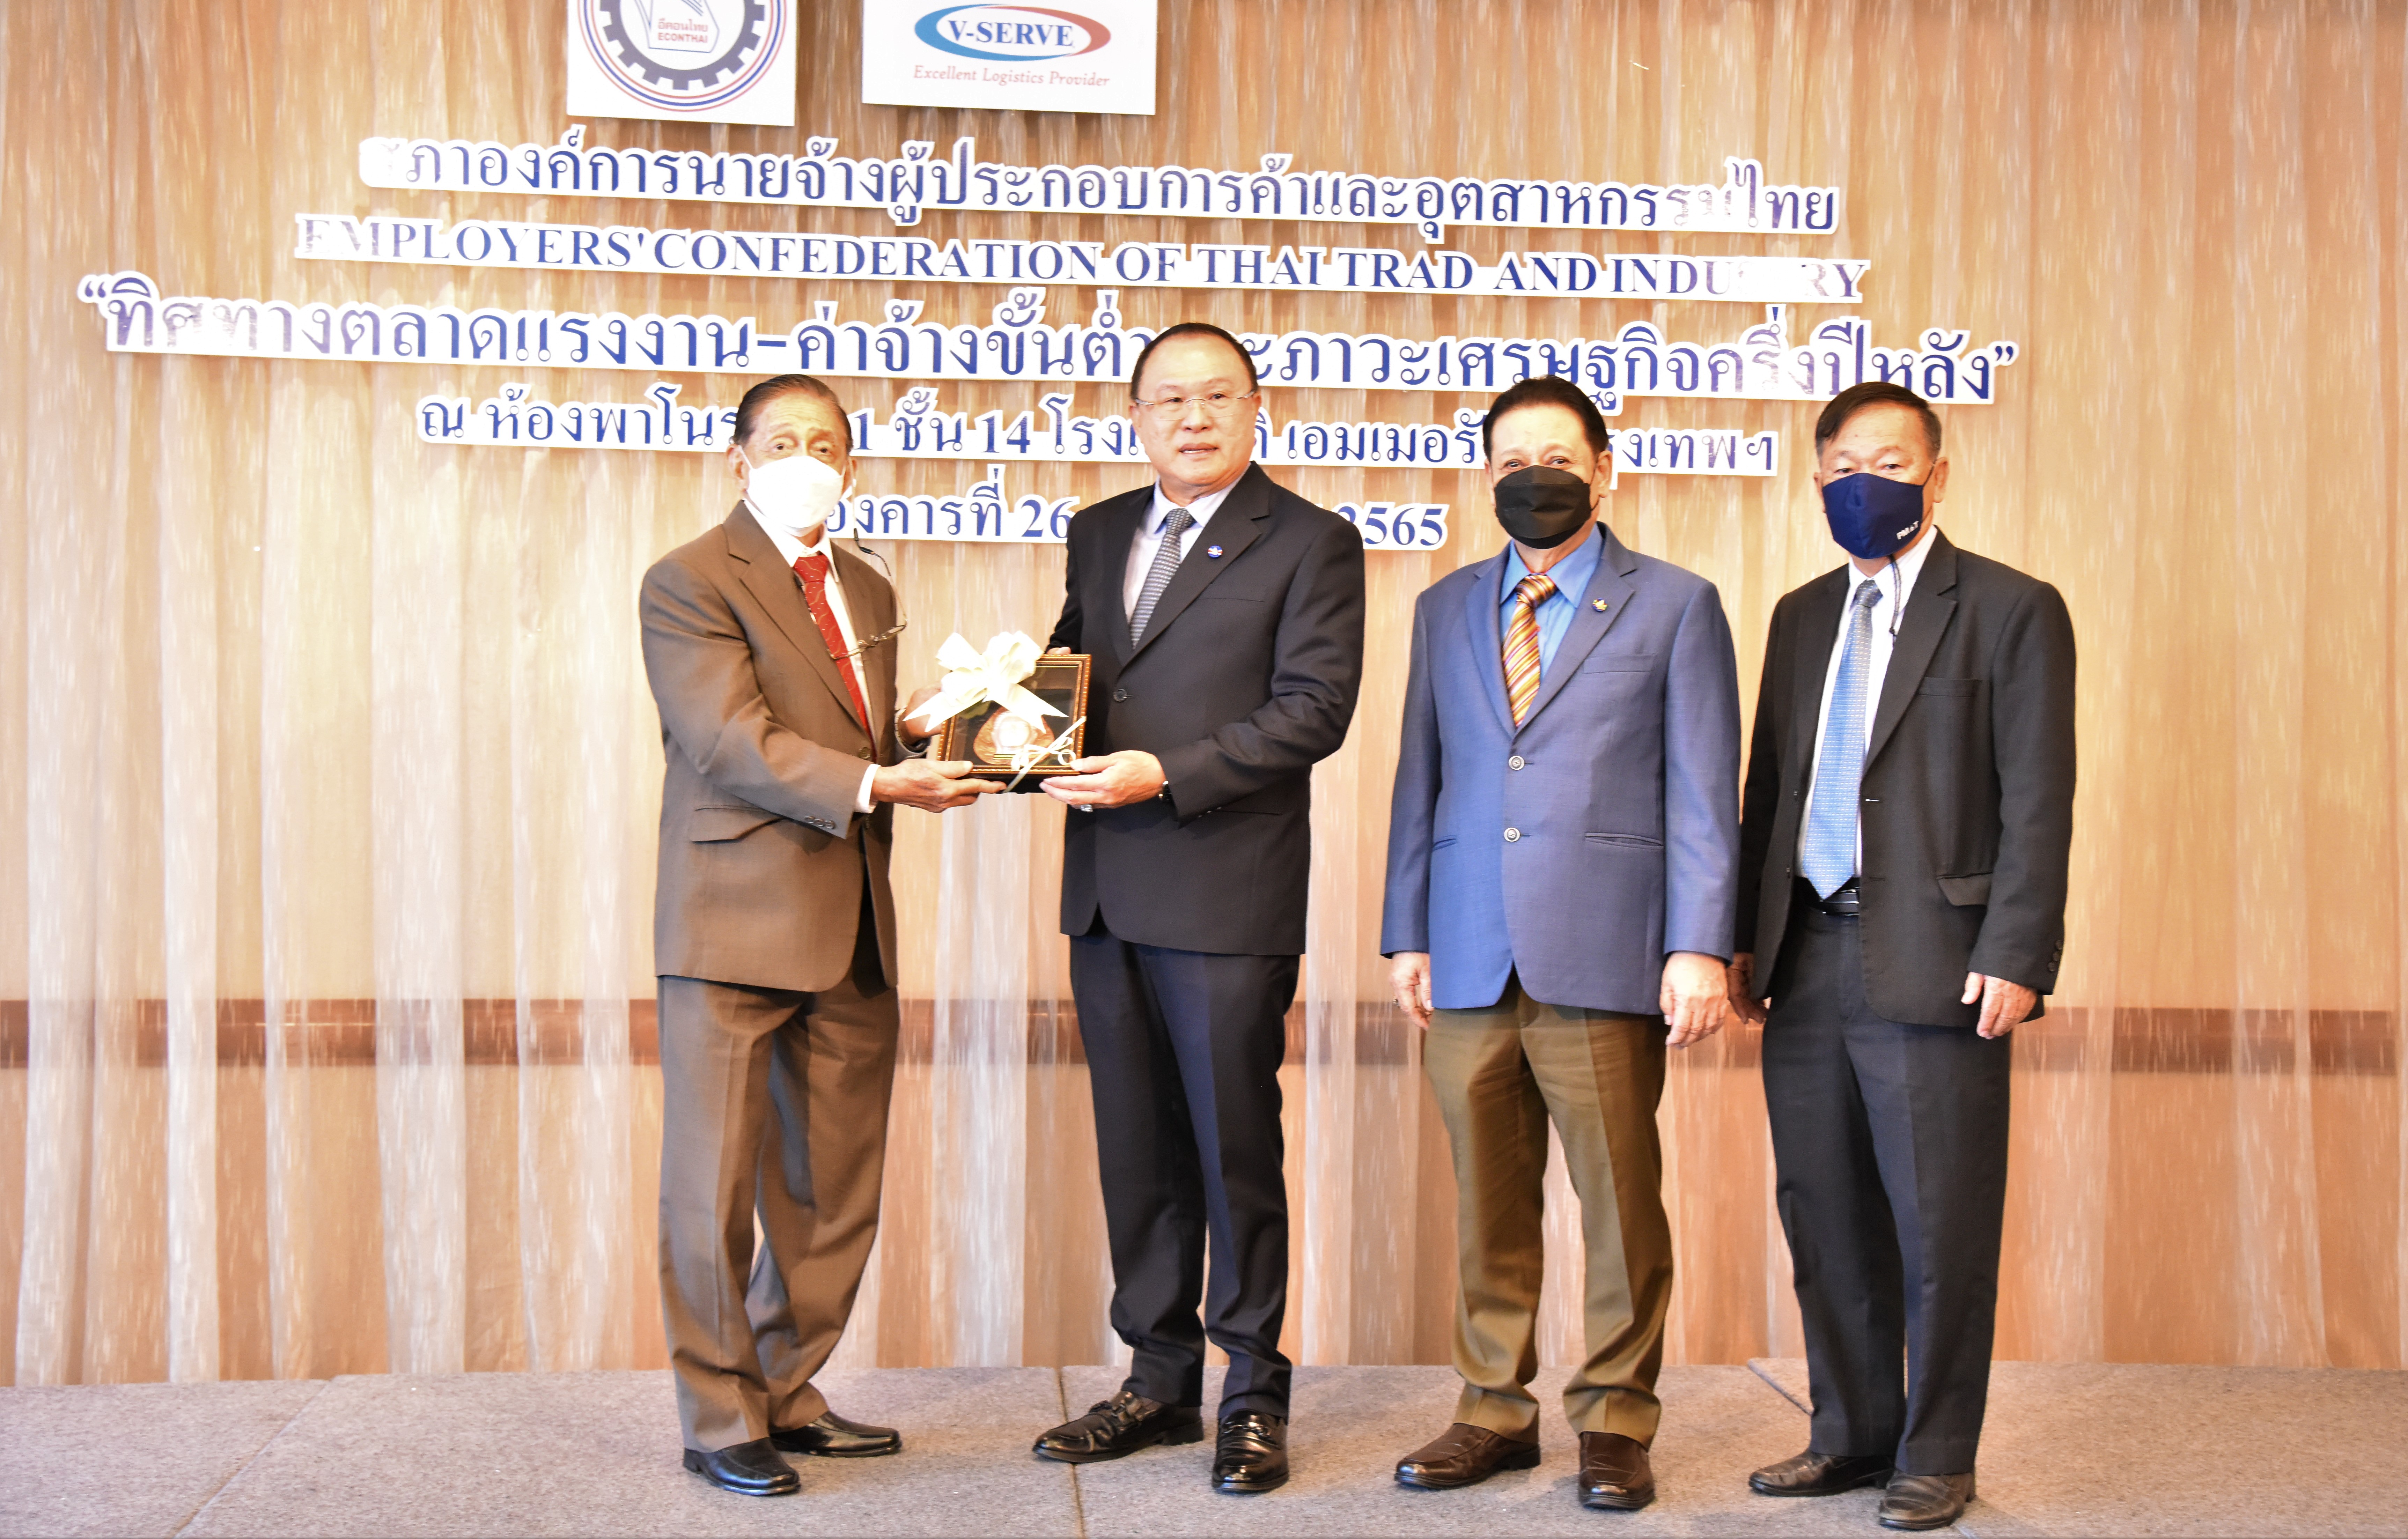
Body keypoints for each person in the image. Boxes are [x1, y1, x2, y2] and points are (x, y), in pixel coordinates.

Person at [1379, 375, 1741, 1512]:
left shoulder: (1676, 604)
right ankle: (1492, 1408)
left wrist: (1700, 943)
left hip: (1607, 947)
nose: (1534, 476)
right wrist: (1406, 930)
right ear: (1486, 476)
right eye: (1510, 461)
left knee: (1620, 1201)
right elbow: (1421, 776)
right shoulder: (1444, 607)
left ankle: (1616, 1418)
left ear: (1604, 471)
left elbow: (1703, 790)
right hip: (1468, 945)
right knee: (1488, 1199)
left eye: (1558, 457)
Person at [638, 373, 999, 1497]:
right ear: (739, 460)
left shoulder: (866, 581)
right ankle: (717, 1416)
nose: (808, 459)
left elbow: (859, 736)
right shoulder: (691, 578)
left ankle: (785, 1388)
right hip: (732, 920)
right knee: (711, 1186)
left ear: (851, 464)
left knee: (832, 1187)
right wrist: (883, 781)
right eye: (784, 441)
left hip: (853, 923)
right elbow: (727, 739)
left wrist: (928, 729)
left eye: (828, 444)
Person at [1025, 322, 1367, 1495]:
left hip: (1227, 891)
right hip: (1107, 892)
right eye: (1169, 399)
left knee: (1234, 1152)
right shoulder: (1099, 530)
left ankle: (1253, 1394)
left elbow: (1315, 708)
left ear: (1257, 409)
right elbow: (1069, 681)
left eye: (1218, 395)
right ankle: (1159, 1378)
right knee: (1139, 1150)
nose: (1194, 417)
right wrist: (983, 718)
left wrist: (1167, 772)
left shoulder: (1312, 540)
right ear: (1137, 418)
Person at [1730, 380, 2075, 1532]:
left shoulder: (2012, 608)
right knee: (1824, 1213)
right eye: (1842, 465)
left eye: (1889, 461)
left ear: (1937, 474)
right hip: (1806, 957)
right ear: (1818, 478)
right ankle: (1850, 1431)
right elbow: (1772, 790)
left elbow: (2039, 798)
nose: (1862, 480)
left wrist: (2019, 950)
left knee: (1940, 1225)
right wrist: (1743, 943)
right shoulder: (1800, 615)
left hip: (1942, 960)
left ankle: (1937, 1451)